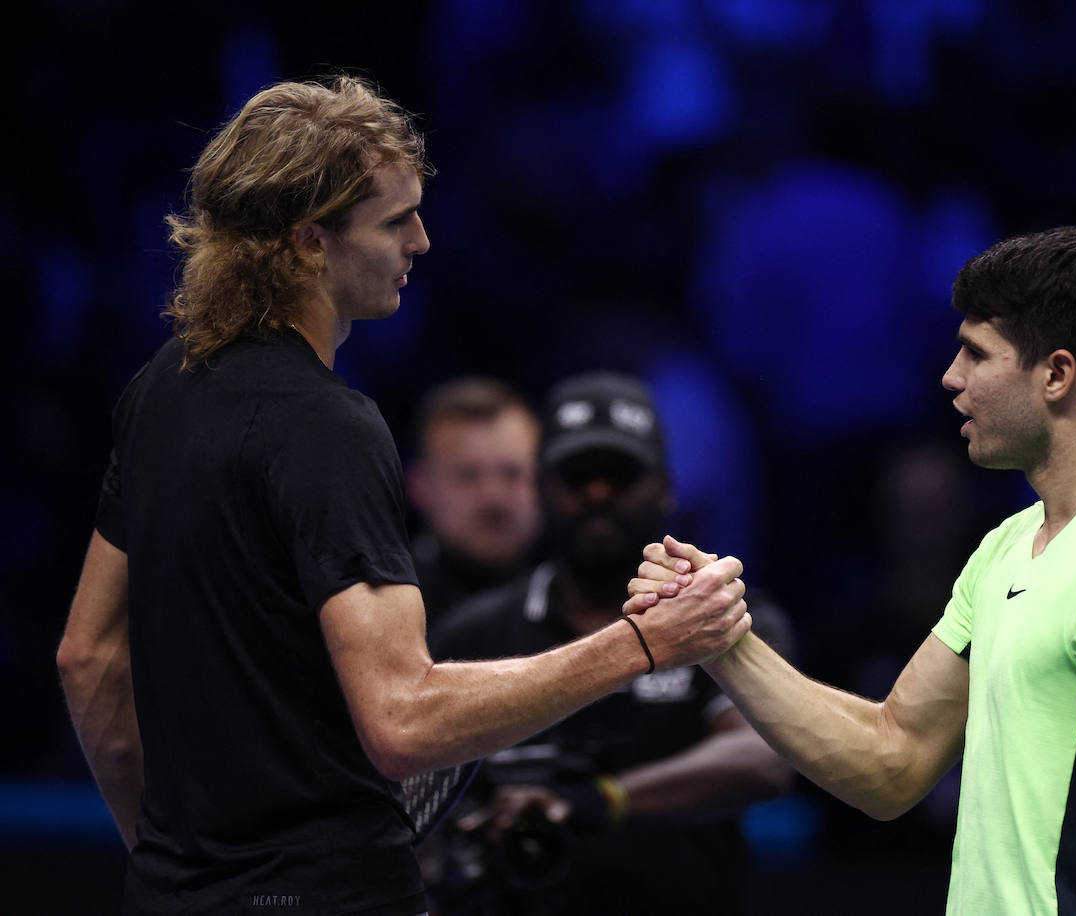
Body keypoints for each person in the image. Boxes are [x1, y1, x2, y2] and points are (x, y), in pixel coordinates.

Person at [54, 75, 750, 916]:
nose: (421, 240)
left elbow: (86, 659)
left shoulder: (160, 387)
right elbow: (404, 724)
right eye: (394, 221)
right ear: (311, 242)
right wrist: (641, 643)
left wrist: (172, 865)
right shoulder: (329, 428)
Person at [628, 226, 1076, 915]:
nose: (951, 376)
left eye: (976, 353)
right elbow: (893, 758)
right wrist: (721, 639)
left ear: (1057, 375)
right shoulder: (1009, 544)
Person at [423, 371, 796, 916]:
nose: (598, 494)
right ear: (543, 487)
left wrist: (597, 800)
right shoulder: (473, 634)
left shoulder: (727, 616)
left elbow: (765, 757)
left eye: (620, 476)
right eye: (578, 476)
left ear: (665, 486)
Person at [407, 375, 542, 629]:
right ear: (419, 487)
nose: (493, 496)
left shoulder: (580, 599)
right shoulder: (381, 609)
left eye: (512, 473)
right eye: (467, 476)